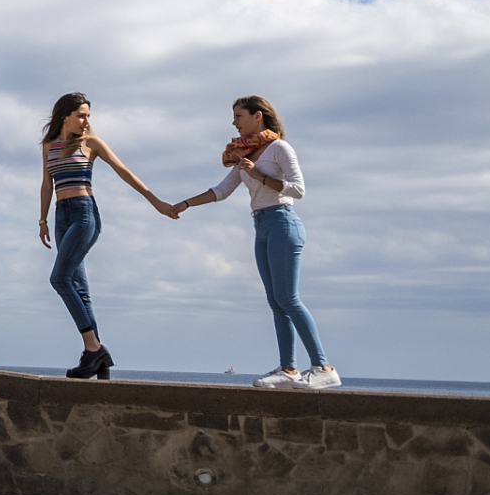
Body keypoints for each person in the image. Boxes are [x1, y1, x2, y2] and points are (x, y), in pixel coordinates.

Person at [174, 96, 339, 390]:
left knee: (289, 299)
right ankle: (288, 369)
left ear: (257, 116)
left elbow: (298, 190)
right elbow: (221, 190)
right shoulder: (246, 153)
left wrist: (257, 175)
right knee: (275, 302)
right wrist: (184, 204)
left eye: (239, 116)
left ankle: (323, 367)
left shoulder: (279, 149)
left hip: (283, 222)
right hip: (261, 225)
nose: (234, 122)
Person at [38, 93, 179, 379]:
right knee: (79, 287)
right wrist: (42, 220)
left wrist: (156, 202)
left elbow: (124, 172)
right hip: (61, 216)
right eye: (81, 115)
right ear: (64, 116)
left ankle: (94, 350)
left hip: (84, 214)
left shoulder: (91, 144)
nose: (86, 120)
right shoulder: (49, 146)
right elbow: (46, 184)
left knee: (59, 278)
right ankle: (98, 358)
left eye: (88, 115)